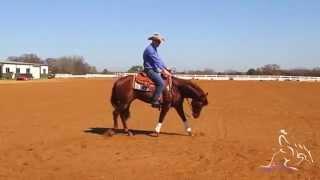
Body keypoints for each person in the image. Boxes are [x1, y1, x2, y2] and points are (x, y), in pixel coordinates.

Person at [143, 33, 172, 108]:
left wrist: (166, 67)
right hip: (149, 70)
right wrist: (164, 70)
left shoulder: (154, 48)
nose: (160, 43)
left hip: (154, 69)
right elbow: (157, 61)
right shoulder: (150, 50)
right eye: (158, 41)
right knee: (161, 83)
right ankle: (154, 100)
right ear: (153, 41)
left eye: (160, 42)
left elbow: (159, 59)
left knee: (165, 79)